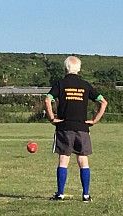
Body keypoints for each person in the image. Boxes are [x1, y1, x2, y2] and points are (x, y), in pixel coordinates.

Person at [44, 56, 107, 202]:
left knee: (63, 160)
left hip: (64, 127)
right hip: (82, 128)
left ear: (65, 68)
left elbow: (47, 99)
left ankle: (60, 194)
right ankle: (85, 195)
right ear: (78, 69)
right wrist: (95, 120)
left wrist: (52, 118)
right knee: (83, 160)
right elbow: (103, 102)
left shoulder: (60, 83)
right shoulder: (85, 85)